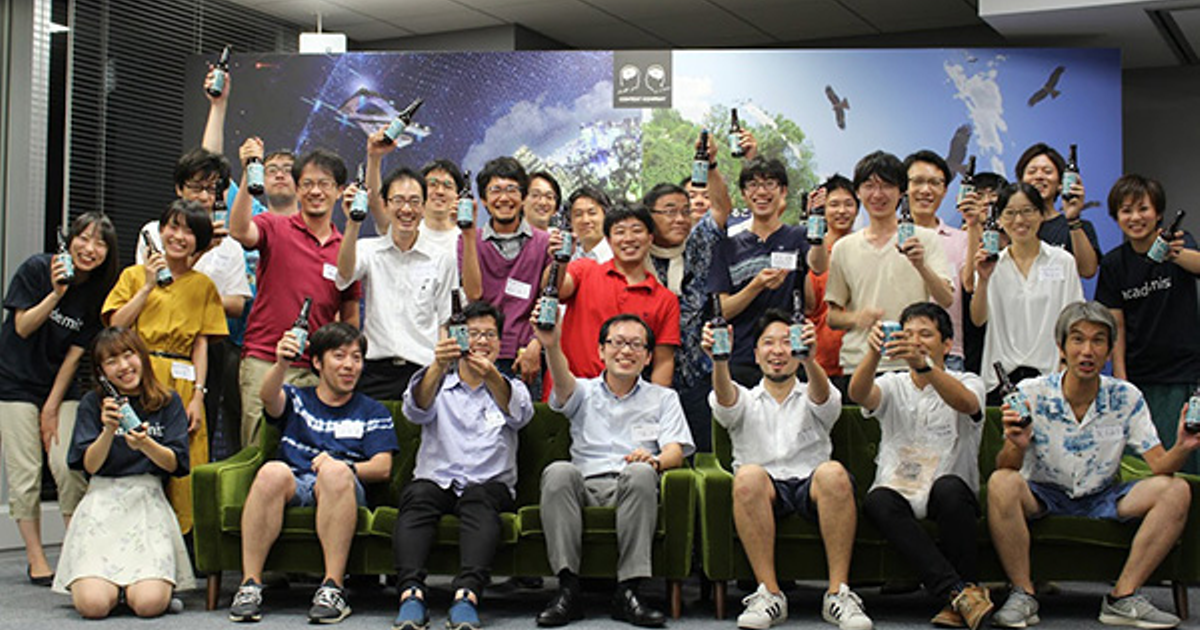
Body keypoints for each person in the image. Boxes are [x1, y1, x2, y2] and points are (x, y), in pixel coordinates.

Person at [988, 302, 1198, 629]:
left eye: (1098, 340)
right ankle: (1023, 594)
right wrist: (1016, 443)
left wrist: (1183, 446)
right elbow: (1006, 466)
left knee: (1176, 490)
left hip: (1103, 495)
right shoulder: (1030, 393)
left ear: (1110, 350)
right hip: (1043, 492)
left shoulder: (1126, 396)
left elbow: (1160, 465)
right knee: (1001, 482)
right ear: (1061, 347)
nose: (1087, 351)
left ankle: (1122, 597)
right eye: (1078, 339)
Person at [703, 310, 871, 630]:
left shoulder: (816, 390)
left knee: (834, 473)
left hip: (811, 485)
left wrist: (810, 360)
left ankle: (839, 593)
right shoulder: (744, 398)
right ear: (756, 354)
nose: (778, 351)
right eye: (768, 343)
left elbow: (824, 399)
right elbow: (725, 401)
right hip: (766, 490)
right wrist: (719, 361)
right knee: (747, 476)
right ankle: (769, 594)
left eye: (786, 342)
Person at [534, 310, 694, 628]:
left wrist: (655, 461)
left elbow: (675, 450)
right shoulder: (582, 391)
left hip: (632, 487)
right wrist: (551, 345)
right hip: (584, 486)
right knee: (558, 471)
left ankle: (628, 591)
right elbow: (562, 384)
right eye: (617, 342)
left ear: (648, 357)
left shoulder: (664, 398)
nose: (625, 351)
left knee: (641, 472)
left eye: (636, 344)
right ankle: (568, 590)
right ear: (601, 350)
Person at [229, 323, 398, 624]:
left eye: (356, 357)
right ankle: (249, 585)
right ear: (317, 362)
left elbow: (382, 467)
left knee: (334, 475)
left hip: (343, 488)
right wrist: (282, 364)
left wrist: (341, 467)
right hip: (295, 482)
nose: (349, 365)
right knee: (270, 472)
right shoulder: (297, 399)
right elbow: (268, 398)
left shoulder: (373, 411)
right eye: (339, 356)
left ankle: (333, 587)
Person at [392, 301, 534, 630]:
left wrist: (491, 375)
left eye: (489, 335)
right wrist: (439, 365)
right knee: (417, 496)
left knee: (480, 499)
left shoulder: (512, 387)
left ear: (499, 342)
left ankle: (467, 595)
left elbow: (519, 415)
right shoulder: (436, 382)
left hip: (488, 486)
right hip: (437, 480)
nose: (482, 341)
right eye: (473, 334)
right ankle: (411, 593)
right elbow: (415, 410)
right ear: (456, 337)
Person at [849, 303, 991, 630]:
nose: (915, 341)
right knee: (877, 500)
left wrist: (925, 367)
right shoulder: (893, 383)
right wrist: (872, 354)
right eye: (908, 334)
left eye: (925, 334)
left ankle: (959, 593)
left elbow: (967, 404)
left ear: (947, 344)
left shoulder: (969, 380)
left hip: (949, 492)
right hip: (899, 489)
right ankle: (960, 594)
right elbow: (858, 393)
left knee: (948, 488)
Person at [0, 211, 117, 585]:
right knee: (26, 472)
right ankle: (36, 558)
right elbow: (22, 327)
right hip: (13, 382)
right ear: (69, 240)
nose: (90, 248)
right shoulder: (37, 269)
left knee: (68, 464)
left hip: (59, 386)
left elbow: (74, 356)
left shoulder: (97, 291)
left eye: (100, 243)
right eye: (84, 238)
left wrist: (51, 407)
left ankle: (76, 549)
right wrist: (56, 294)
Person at [104, 200, 227, 535]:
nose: (179, 236)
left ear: (199, 241)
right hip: (139, 377)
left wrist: (198, 396)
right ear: (160, 231)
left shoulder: (203, 285)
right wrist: (147, 285)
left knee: (186, 464)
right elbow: (116, 325)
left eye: (189, 231)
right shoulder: (133, 276)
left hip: (183, 380)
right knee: (137, 455)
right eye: (173, 227)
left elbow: (201, 344)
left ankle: (184, 544)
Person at [53, 327, 194, 618]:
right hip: (101, 502)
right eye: (112, 361)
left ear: (141, 356)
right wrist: (108, 430)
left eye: (128, 355)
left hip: (147, 502)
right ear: (101, 372)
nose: (123, 366)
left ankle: (138, 592)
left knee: (148, 605)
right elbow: (89, 466)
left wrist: (145, 444)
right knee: (92, 607)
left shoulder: (168, 401)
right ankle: (113, 590)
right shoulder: (93, 404)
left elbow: (175, 464)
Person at [229, 143, 362, 449]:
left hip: (317, 371)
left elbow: (350, 318)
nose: (315, 191)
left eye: (324, 184)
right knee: (257, 449)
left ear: (339, 191)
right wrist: (250, 172)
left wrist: (338, 364)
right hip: (264, 359)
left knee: (311, 452)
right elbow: (239, 231)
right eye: (307, 184)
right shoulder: (274, 226)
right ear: (298, 189)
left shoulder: (346, 249)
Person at [1097, 174, 1200, 473]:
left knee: (1186, 460)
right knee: (1144, 465)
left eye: (1143, 208)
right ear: (1116, 217)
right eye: (1126, 210)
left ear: (1158, 214)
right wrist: (1121, 377)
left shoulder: (1180, 244)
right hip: (1140, 376)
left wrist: (1173, 254)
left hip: (1183, 373)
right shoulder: (1114, 264)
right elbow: (1116, 325)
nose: (1135, 217)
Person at [825, 151, 953, 379]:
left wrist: (920, 265)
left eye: (886, 186)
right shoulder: (843, 247)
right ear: (858, 192)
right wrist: (857, 318)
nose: (877, 194)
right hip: (860, 364)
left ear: (902, 191)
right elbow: (832, 317)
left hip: (913, 362)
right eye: (869, 186)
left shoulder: (926, 239)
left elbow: (946, 299)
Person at [646, 132, 734, 453]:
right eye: (670, 211)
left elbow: (722, 208)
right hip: (646, 377)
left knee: (704, 455)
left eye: (685, 211)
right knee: (651, 455)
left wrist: (711, 164)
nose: (681, 219)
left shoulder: (698, 244)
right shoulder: (636, 254)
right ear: (649, 216)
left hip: (698, 376)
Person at [337, 166, 456, 400]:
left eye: (414, 201)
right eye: (398, 200)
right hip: (374, 370)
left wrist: (440, 371)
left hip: (423, 372)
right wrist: (353, 223)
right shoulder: (368, 249)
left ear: (424, 206)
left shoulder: (442, 258)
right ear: (384, 204)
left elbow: (446, 319)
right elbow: (344, 276)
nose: (406, 209)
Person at [709, 156, 829, 386]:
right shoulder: (726, 246)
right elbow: (722, 310)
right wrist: (756, 286)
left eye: (770, 184)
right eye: (753, 185)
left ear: (783, 191)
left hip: (790, 357)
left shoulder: (798, 236)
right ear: (744, 194)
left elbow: (819, 264)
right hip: (741, 359)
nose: (761, 192)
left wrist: (816, 220)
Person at [970, 183, 1083, 402]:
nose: (1019, 220)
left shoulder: (1063, 261)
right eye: (1010, 213)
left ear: (1041, 215)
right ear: (1000, 220)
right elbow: (978, 319)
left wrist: (1065, 365)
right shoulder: (990, 264)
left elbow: (1074, 320)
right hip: (1001, 379)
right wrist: (983, 280)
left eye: (1027, 211)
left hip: (1051, 376)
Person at [553, 203, 680, 386]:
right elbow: (554, 289)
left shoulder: (665, 299)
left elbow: (663, 362)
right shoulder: (584, 270)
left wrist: (655, 400)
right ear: (608, 240)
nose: (628, 238)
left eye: (637, 230)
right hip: (569, 390)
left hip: (625, 398)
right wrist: (560, 260)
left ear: (650, 238)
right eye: (620, 232)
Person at [460, 156, 551, 393]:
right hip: (481, 354)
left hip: (525, 356)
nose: (504, 198)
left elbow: (550, 299)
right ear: (483, 200)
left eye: (511, 189)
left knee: (524, 415)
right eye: (495, 190)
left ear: (523, 197)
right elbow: (474, 294)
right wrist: (468, 235)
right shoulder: (469, 240)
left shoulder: (544, 243)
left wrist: (536, 344)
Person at [903, 150, 970, 371]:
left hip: (947, 353)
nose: (925, 190)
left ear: (945, 190)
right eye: (918, 181)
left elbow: (970, 286)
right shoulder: (888, 237)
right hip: (896, 350)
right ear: (904, 187)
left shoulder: (962, 240)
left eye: (934, 183)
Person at [1014, 143, 1101, 278]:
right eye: (1032, 171)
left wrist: (1073, 219)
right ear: (1021, 181)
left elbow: (1088, 271)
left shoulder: (1078, 227)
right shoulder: (1011, 227)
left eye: (1047, 171)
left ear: (1061, 182)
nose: (1039, 176)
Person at [804, 175, 859, 389]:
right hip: (819, 362)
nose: (842, 211)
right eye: (834, 204)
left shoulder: (867, 248)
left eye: (848, 204)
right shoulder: (810, 252)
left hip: (860, 361)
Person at [567, 186, 613, 263]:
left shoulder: (618, 255)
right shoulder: (569, 257)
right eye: (578, 214)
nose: (585, 220)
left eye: (592, 213)